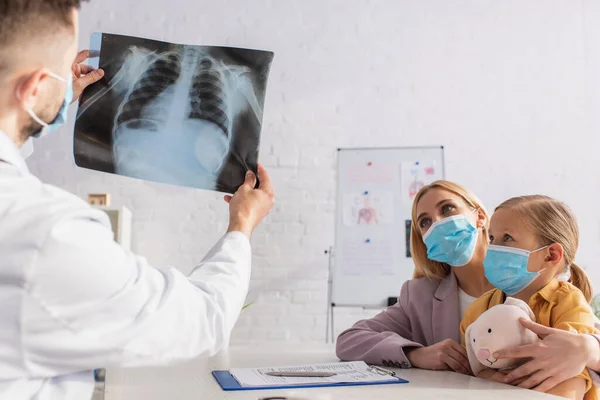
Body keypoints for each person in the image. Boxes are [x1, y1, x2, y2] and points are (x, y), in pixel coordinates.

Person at [0, 1, 274, 399]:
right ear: (35, 86)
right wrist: (241, 226)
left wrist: (47, 112)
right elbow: (203, 321)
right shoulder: (47, 236)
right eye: (62, 73)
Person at [336, 181, 600, 390]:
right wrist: (416, 354)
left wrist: (589, 349)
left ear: (480, 216)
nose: (437, 223)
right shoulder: (419, 296)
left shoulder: (536, 281)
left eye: (447, 209)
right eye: (425, 221)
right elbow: (349, 341)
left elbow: (585, 334)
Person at [460, 195, 598, 400]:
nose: (494, 248)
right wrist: (487, 377)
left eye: (507, 238)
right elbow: (469, 369)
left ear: (551, 255)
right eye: (491, 238)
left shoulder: (569, 304)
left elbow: (573, 377)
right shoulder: (479, 309)